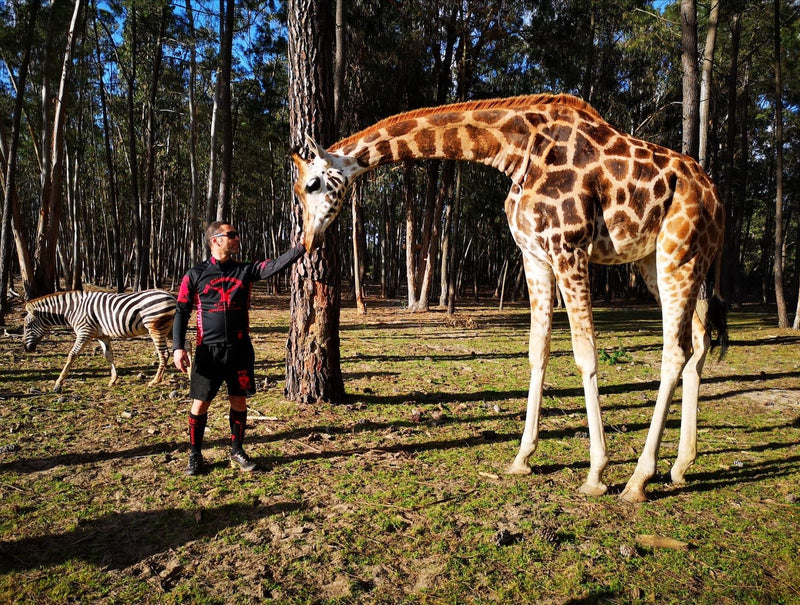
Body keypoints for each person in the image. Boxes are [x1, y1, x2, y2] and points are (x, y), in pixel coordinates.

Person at [173, 221, 305, 476]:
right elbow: (181, 310)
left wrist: (302, 247)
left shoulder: (245, 270)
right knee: (201, 403)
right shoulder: (195, 274)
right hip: (207, 350)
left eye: (236, 233)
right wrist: (178, 347)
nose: (237, 238)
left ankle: (237, 450)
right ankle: (195, 454)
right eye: (231, 235)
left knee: (239, 400)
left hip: (240, 349)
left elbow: (274, 266)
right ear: (215, 240)